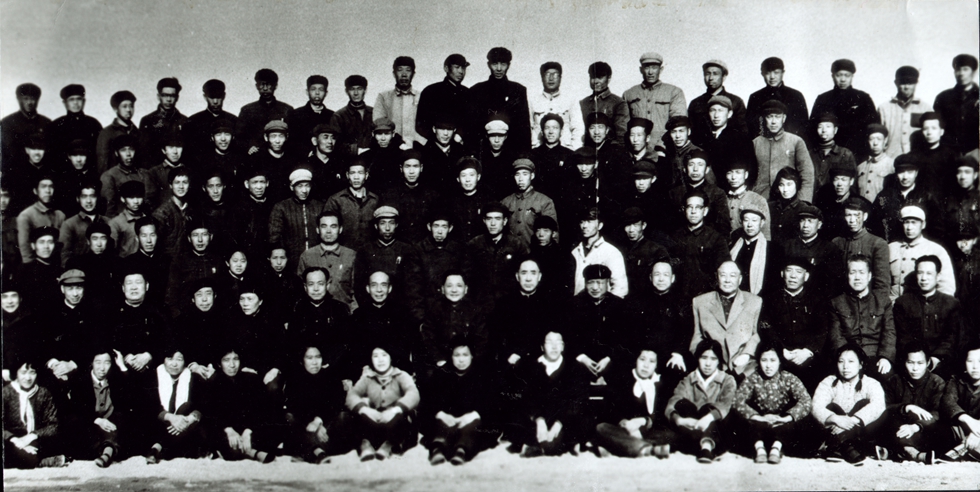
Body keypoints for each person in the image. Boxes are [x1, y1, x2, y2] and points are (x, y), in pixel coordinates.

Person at [733, 338, 812, 463]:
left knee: (801, 421)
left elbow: (805, 400)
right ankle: (759, 449)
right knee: (742, 420)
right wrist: (758, 417)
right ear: (758, 360)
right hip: (759, 423)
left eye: (773, 360)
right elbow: (738, 400)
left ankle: (776, 448)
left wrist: (786, 418)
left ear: (780, 361)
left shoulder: (788, 378)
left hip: (782, 423)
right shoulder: (753, 378)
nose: (768, 366)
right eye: (764, 360)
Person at [760, 257, 829, 390]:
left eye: (798, 272)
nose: (793, 276)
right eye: (789, 270)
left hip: (809, 357)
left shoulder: (817, 300)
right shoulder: (770, 299)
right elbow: (766, 327)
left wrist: (808, 351)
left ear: (806, 276)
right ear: (782, 274)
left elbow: (822, 329)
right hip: (780, 355)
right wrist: (782, 350)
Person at [811, 343, 887, 465]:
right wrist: (835, 419)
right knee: (832, 407)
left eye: (851, 361)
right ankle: (849, 448)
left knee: (863, 403)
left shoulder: (871, 383)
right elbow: (816, 406)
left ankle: (835, 447)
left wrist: (851, 421)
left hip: (859, 430)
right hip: (834, 426)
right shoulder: (828, 382)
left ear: (860, 364)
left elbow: (878, 405)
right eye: (841, 362)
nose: (845, 366)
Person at [517, 330, 590, 457]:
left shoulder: (575, 368)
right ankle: (537, 443)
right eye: (549, 342)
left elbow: (577, 400)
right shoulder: (531, 367)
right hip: (537, 419)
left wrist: (559, 424)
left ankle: (546, 445)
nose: (554, 346)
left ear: (563, 347)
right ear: (542, 347)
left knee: (579, 422)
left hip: (564, 419)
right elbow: (527, 398)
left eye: (558, 342)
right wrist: (539, 420)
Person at [422, 340, 495, 465]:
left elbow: (489, 401)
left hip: (471, 419)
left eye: (465, 355)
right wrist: (441, 414)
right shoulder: (441, 374)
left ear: (472, 356)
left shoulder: (482, 375)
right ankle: (437, 449)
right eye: (457, 355)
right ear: (451, 357)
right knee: (439, 426)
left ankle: (461, 451)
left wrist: (473, 415)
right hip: (447, 418)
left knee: (474, 427)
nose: (461, 360)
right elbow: (429, 400)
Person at [594, 346, 675, 459]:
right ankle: (649, 449)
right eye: (642, 359)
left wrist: (644, 421)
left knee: (670, 434)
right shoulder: (622, 379)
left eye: (651, 361)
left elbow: (660, 414)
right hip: (624, 429)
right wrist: (625, 424)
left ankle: (622, 447)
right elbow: (611, 409)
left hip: (647, 430)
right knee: (601, 428)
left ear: (656, 365)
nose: (646, 365)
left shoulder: (659, 384)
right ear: (636, 361)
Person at [665, 339, 737, 463]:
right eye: (704, 358)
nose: (708, 364)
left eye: (713, 359)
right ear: (697, 358)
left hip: (716, 428)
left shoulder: (727, 379)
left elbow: (726, 404)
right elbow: (673, 402)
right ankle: (695, 442)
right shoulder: (688, 379)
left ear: (719, 361)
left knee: (717, 410)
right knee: (681, 403)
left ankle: (706, 446)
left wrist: (708, 418)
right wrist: (680, 420)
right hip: (692, 425)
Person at [133, 345, 207, 464]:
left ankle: (157, 447)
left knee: (185, 407)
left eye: (179, 359)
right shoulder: (152, 376)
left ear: (185, 361)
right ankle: (164, 447)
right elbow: (149, 406)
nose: (174, 364)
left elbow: (201, 405)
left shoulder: (194, 378)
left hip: (186, 426)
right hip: (159, 425)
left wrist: (189, 419)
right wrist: (171, 417)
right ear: (163, 360)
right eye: (170, 358)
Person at [204, 345, 278, 463]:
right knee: (216, 436)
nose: (232, 365)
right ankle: (252, 452)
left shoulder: (252, 379)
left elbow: (261, 410)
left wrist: (248, 431)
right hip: (226, 430)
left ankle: (246, 451)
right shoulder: (213, 383)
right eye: (226, 360)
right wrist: (229, 430)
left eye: (236, 359)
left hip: (249, 428)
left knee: (272, 428)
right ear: (219, 363)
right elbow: (212, 414)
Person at [345, 344, 420, 461]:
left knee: (405, 417)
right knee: (353, 415)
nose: (380, 360)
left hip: (395, 422)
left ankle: (389, 446)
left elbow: (413, 393)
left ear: (391, 357)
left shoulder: (401, 375)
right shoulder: (367, 378)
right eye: (375, 356)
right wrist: (365, 410)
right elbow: (352, 395)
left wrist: (395, 410)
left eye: (384, 355)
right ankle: (366, 445)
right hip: (374, 421)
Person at [893, 255, 963, 379]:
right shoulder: (903, 303)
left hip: (941, 361)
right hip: (912, 360)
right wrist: (917, 360)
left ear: (938, 276)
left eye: (929, 273)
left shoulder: (951, 304)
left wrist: (936, 358)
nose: (924, 278)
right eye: (920, 273)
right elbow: (903, 336)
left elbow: (951, 337)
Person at [690, 261, 763, 378]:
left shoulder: (754, 301)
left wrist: (747, 354)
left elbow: (757, 333)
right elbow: (696, 337)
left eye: (732, 276)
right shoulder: (700, 302)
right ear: (717, 277)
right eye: (723, 275)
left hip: (745, 366)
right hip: (712, 367)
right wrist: (706, 360)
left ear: (740, 279)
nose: (727, 280)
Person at [829, 254, 897, 379]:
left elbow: (889, 332)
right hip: (848, 356)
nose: (857, 277)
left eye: (861, 272)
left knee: (887, 376)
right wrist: (847, 359)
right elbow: (836, 336)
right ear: (847, 275)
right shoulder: (837, 303)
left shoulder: (882, 301)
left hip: (876, 356)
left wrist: (885, 357)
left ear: (869, 276)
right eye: (852, 272)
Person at [63, 347, 130, 467]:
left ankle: (106, 454)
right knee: (76, 423)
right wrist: (98, 420)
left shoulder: (115, 380)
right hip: (90, 424)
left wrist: (122, 366)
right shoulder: (80, 381)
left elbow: (132, 396)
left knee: (121, 418)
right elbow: (77, 409)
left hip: (112, 424)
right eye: (98, 362)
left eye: (107, 363)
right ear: (92, 363)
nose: (102, 368)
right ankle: (107, 452)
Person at [882, 341, 946, 463]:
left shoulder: (937, 383)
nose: (915, 368)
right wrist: (906, 407)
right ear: (904, 362)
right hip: (899, 428)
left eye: (920, 363)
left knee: (939, 429)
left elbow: (937, 413)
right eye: (910, 362)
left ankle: (896, 451)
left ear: (928, 363)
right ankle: (912, 453)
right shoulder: (894, 381)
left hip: (922, 429)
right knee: (890, 420)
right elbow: (884, 407)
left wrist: (916, 427)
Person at [283, 345, 347, 464]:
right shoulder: (294, 379)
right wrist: (312, 423)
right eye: (309, 358)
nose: (314, 362)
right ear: (302, 360)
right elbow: (295, 407)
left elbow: (336, 403)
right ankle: (317, 452)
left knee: (343, 416)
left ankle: (314, 452)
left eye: (318, 357)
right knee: (289, 417)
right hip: (307, 427)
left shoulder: (331, 376)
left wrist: (318, 421)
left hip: (325, 428)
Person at [567, 264, 631, 381]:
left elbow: (626, 339)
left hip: (611, 362)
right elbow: (568, 337)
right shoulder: (574, 304)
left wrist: (609, 359)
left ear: (608, 283)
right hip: (581, 362)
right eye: (590, 282)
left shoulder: (620, 305)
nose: (595, 287)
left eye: (600, 282)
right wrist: (583, 358)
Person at [420, 271, 489, 377]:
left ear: (466, 289)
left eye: (459, 286)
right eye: (449, 286)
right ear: (442, 289)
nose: (454, 290)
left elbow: (481, 340)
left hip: (468, 365)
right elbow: (428, 338)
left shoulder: (475, 310)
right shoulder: (434, 309)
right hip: (441, 364)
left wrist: (471, 361)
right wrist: (439, 359)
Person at [286, 267, 352, 378]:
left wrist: (330, 361)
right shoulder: (297, 309)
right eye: (311, 284)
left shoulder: (340, 309)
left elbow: (345, 343)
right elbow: (292, 344)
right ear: (305, 287)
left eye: (320, 284)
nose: (316, 289)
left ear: (327, 285)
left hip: (333, 369)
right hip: (303, 370)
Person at [403, 210, 467, 321]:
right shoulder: (418, 251)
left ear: (450, 228)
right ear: (429, 227)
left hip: (454, 313)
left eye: (444, 226)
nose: (440, 231)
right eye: (436, 226)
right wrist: (421, 318)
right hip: (428, 313)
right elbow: (413, 289)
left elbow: (466, 284)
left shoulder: (459, 250)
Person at [809, 59, 880, 158]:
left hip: (858, 151)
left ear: (852, 76)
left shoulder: (863, 98)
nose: (843, 79)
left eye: (847, 75)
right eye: (839, 75)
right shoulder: (823, 99)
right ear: (833, 76)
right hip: (830, 152)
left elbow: (874, 126)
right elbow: (812, 127)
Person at [465, 47, 530, 154]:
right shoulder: (476, 90)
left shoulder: (518, 90)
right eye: (495, 64)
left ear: (508, 65)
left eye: (503, 64)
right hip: (483, 152)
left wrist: (524, 155)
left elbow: (524, 127)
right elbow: (471, 129)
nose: (499, 68)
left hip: (512, 152)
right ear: (488, 65)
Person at [668, 189, 730, 298]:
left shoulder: (716, 238)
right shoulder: (674, 237)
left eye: (698, 207)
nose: (693, 211)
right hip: (677, 297)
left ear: (705, 211)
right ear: (684, 210)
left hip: (706, 297)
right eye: (689, 207)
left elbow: (723, 269)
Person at [2, 360, 64, 469]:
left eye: (32, 372)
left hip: (34, 438)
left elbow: (53, 425)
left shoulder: (43, 393)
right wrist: (16, 441)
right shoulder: (6, 393)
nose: (28, 378)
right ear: (16, 373)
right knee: (10, 451)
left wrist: (31, 437)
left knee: (57, 441)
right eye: (23, 372)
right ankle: (41, 462)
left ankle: (33, 459)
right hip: (11, 439)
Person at [888, 204, 956, 301]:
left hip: (921, 305)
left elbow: (946, 286)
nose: (909, 227)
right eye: (906, 222)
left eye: (914, 222)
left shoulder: (936, 249)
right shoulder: (890, 248)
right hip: (892, 304)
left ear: (923, 224)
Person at [465, 202, 529, 303]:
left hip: (509, 301)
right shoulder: (474, 244)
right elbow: (466, 275)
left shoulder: (516, 245)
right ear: (484, 220)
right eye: (489, 219)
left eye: (497, 219)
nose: (493, 223)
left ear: (505, 221)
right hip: (480, 302)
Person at [752, 99, 815, 202]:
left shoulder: (796, 141)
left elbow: (807, 174)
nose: (773, 122)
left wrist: (803, 201)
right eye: (769, 117)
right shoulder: (755, 143)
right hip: (760, 200)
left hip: (788, 199)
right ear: (764, 118)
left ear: (784, 118)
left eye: (777, 117)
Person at [296, 211, 358, 311]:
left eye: (333, 226)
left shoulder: (351, 256)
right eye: (324, 226)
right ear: (317, 229)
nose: (328, 231)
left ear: (340, 229)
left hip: (345, 313)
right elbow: (300, 290)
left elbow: (357, 290)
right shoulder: (307, 256)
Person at [623, 52, 686, 146]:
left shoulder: (674, 92)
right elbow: (624, 126)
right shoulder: (629, 94)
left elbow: (678, 124)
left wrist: (661, 147)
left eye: (654, 67)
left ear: (661, 69)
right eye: (647, 67)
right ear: (641, 70)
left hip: (665, 148)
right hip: (637, 148)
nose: (650, 72)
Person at [833, 196, 891, 296]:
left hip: (867, 301)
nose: (852, 220)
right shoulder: (837, 242)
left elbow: (882, 284)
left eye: (856, 215)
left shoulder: (877, 243)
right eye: (848, 215)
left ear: (865, 216)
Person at [269, 168, 324, 267]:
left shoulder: (319, 206)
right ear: (291, 187)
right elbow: (275, 237)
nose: (304, 190)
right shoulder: (281, 207)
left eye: (307, 185)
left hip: (317, 259)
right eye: (300, 186)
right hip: (292, 262)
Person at [165, 218, 221, 315]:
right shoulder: (179, 261)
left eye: (204, 234)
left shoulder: (218, 261)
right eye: (195, 235)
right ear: (189, 238)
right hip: (187, 316)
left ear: (211, 236)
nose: (200, 240)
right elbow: (171, 296)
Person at [667, 150, 731, 235]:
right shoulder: (675, 192)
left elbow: (723, 226)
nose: (695, 169)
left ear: (707, 169)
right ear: (685, 169)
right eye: (691, 164)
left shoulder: (717, 193)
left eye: (700, 165)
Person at [383, 151, 440, 244]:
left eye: (415, 166)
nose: (411, 172)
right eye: (407, 166)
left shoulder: (432, 195)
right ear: (401, 168)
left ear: (421, 168)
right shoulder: (390, 195)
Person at [324, 158, 380, 251]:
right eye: (352, 173)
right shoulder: (336, 200)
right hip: (343, 252)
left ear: (366, 175)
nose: (356, 177)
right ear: (347, 175)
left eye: (360, 173)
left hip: (370, 253)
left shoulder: (375, 200)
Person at [695, 95, 755, 181]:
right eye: (712, 110)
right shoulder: (700, 138)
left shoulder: (741, 139)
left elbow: (751, 168)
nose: (716, 115)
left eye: (720, 110)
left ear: (729, 114)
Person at [745, 57, 809, 139]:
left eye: (776, 72)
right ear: (762, 74)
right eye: (767, 73)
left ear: (783, 73)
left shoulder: (796, 96)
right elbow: (751, 127)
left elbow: (803, 127)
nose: (772, 77)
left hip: (789, 143)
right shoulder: (755, 97)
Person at [571, 207, 627, 298]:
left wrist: (607, 304)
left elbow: (620, 288)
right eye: (582, 221)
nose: (584, 225)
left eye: (589, 221)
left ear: (600, 225)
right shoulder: (575, 251)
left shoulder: (611, 252)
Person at [878, 66, 933, 159]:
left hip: (917, 161)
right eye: (903, 83)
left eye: (910, 83)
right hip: (891, 160)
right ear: (896, 83)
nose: (906, 87)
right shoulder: (883, 108)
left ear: (916, 83)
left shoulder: (925, 108)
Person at [500, 158, 557, 246]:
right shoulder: (505, 202)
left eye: (525, 174)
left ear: (532, 176)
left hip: (534, 252)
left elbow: (553, 235)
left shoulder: (544, 201)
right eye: (517, 174)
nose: (520, 179)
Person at [416, 53, 470, 144]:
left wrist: (460, 135)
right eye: (457, 67)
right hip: (436, 146)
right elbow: (421, 125)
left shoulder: (468, 93)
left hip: (462, 145)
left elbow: (472, 122)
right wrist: (439, 141)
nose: (461, 71)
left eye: (463, 68)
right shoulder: (431, 91)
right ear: (446, 68)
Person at [939, 341, 980, 462]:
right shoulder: (956, 380)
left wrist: (976, 433)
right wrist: (968, 420)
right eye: (970, 361)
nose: (975, 366)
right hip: (961, 429)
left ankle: (967, 450)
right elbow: (947, 402)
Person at [237, 68, 293, 154]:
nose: (265, 88)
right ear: (257, 86)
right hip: (255, 155)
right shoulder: (247, 110)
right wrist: (249, 146)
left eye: (269, 84)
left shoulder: (286, 109)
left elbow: (293, 136)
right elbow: (239, 136)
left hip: (279, 156)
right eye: (262, 84)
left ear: (275, 86)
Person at [530, 61, 583, 150]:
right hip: (538, 150)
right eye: (547, 74)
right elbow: (528, 127)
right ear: (542, 78)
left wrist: (575, 150)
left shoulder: (571, 100)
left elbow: (578, 127)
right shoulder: (532, 100)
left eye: (555, 74)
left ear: (560, 78)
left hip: (565, 150)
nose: (551, 78)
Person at [688, 59, 747, 139]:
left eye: (715, 74)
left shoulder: (736, 101)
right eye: (707, 74)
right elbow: (691, 131)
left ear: (724, 77)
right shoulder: (695, 103)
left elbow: (743, 130)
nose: (711, 78)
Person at [374, 56, 425, 149]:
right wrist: (397, 143)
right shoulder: (384, 97)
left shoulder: (422, 96)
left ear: (413, 74)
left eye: (408, 70)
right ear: (394, 74)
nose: (404, 74)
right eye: (400, 70)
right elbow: (379, 124)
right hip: (391, 149)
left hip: (418, 148)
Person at [182, 79, 238, 163]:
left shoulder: (233, 120)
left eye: (218, 97)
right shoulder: (192, 122)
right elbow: (187, 153)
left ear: (224, 96)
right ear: (205, 97)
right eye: (211, 97)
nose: (215, 102)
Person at [1, 83, 51, 175]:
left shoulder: (46, 123)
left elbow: (50, 151)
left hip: (41, 173)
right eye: (25, 98)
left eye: (32, 99)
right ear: (19, 100)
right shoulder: (7, 123)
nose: (29, 102)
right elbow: (8, 152)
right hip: (16, 173)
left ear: (37, 100)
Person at [933, 54, 979, 154]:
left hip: (976, 152)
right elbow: (937, 128)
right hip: (948, 153)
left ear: (974, 72)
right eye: (958, 69)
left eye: (965, 69)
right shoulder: (943, 98)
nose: (961, 73)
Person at [47, 84, 102, 165]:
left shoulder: (93, 124)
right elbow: (52, 155)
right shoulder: (56, 125)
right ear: (64, 103)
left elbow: (99, 152)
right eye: (71, 99)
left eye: (79, 99)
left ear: (84, 101)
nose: (76, 103)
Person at [138, 78, 187, 168]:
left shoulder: (184, 121)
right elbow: (143, 154)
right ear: (158, 96)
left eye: (172, 96)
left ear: (177, 97)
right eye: (165, 95)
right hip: (155, 171)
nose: (168, 99)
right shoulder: (148, 121)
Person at [16, 174, 65, 264]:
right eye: (43, 187)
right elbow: (25, 250)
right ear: (35, 191)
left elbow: (63, 246)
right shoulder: (26, 215)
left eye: (51, 187)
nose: (48, 191)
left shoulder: (59, 215)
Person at [620, 207, 669, 296]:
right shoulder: (619, 249)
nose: (631, 230)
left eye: (635, 225)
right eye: (627, 225)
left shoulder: (656, 250)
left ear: (643, 225)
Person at [59, 179, 108, 265]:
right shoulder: (69, 224)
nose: (88, 201)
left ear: (97, 198)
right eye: (84, 196)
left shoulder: (108, 221)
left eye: (92, 196)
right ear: (78, 199)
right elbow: (65, 256)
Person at [580, 62, 629, 144]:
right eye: (592, 77)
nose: (595, 81)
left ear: (608, 78)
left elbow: (621, 135)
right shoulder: (583, 103)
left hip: (610, 149)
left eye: (600, 77)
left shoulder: (619, 103)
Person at [286, 75, 334, 158]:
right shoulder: (295, 115)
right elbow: (291, 143)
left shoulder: (333, 116)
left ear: (326, 93)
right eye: (313, 89)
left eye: (321, 89)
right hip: (301, 160)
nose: (317, 93)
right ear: (307, 92)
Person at [100, 134, 147, 218]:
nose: (128, 154)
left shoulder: (144, 173)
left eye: (131, 149)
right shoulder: (109, 176)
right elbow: (109, 211)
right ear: (116, 153)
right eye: (123, 150)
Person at [809, 113, 858, 193]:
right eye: (820, 127)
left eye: (828, 126)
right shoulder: (809, 154)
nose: (824, 130)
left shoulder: (845, 154)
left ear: (835, 130)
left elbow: (853, 184)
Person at [730, 202, 772, 295]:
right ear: (742, 222)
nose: (750, 224)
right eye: (746, 220)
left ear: (762, 222)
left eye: (754, 220)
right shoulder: (734, 245)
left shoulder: (772, 249)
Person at [15, 226, 61, 310]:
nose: (46, 246)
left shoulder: (59, 269)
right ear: (33, 246)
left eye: (50, 242)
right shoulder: (25, 270)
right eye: (41, 242)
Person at [418, 115, 466, 195]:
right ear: (434, 129)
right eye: (441, 129)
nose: (445, 133)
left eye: (449, 129)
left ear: (454, 130)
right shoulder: (424, 153)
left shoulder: (461, 151)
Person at [151, 167, 192, 258]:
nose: (181, 186)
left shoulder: (192, 209)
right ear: (170, 185)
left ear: (189, 185)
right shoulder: (161, 213)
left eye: (185, 182)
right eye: (177, 182)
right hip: (168, 261)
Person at [95, 90, 139, 176]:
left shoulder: (137, 132)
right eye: (124, 106)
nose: (128, 110)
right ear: (115, 109)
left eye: (131, 106)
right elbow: (102, 165)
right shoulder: (106, 133)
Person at [725, 159, 771, 241]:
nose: (733, 177)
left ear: (746, 174)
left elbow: (766, 233)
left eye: (738, 172)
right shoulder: (722, 198)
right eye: (729, 173)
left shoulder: (757, 199)